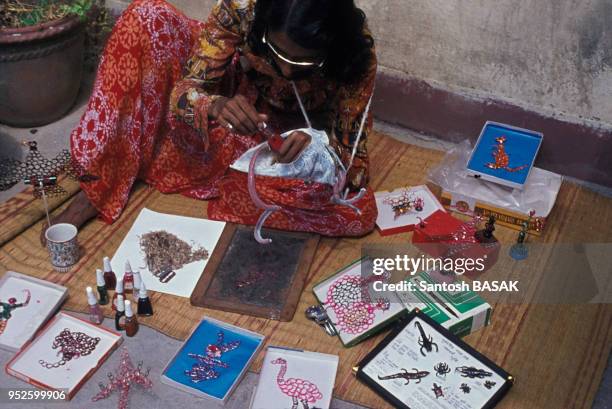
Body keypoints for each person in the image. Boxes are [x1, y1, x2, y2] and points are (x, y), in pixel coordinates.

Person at [50, 0, 378, 240]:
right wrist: (216, 105)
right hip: (237, 96)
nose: (289, 71)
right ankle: (99, 181)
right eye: (278, 55)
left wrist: (316, 147)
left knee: (328, 202)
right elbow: (186, 90)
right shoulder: (242, 9)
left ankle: (154, 148)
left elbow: (353, 164)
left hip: (284, 136)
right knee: (146, 16)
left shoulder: (355, 53)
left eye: (305, 63)